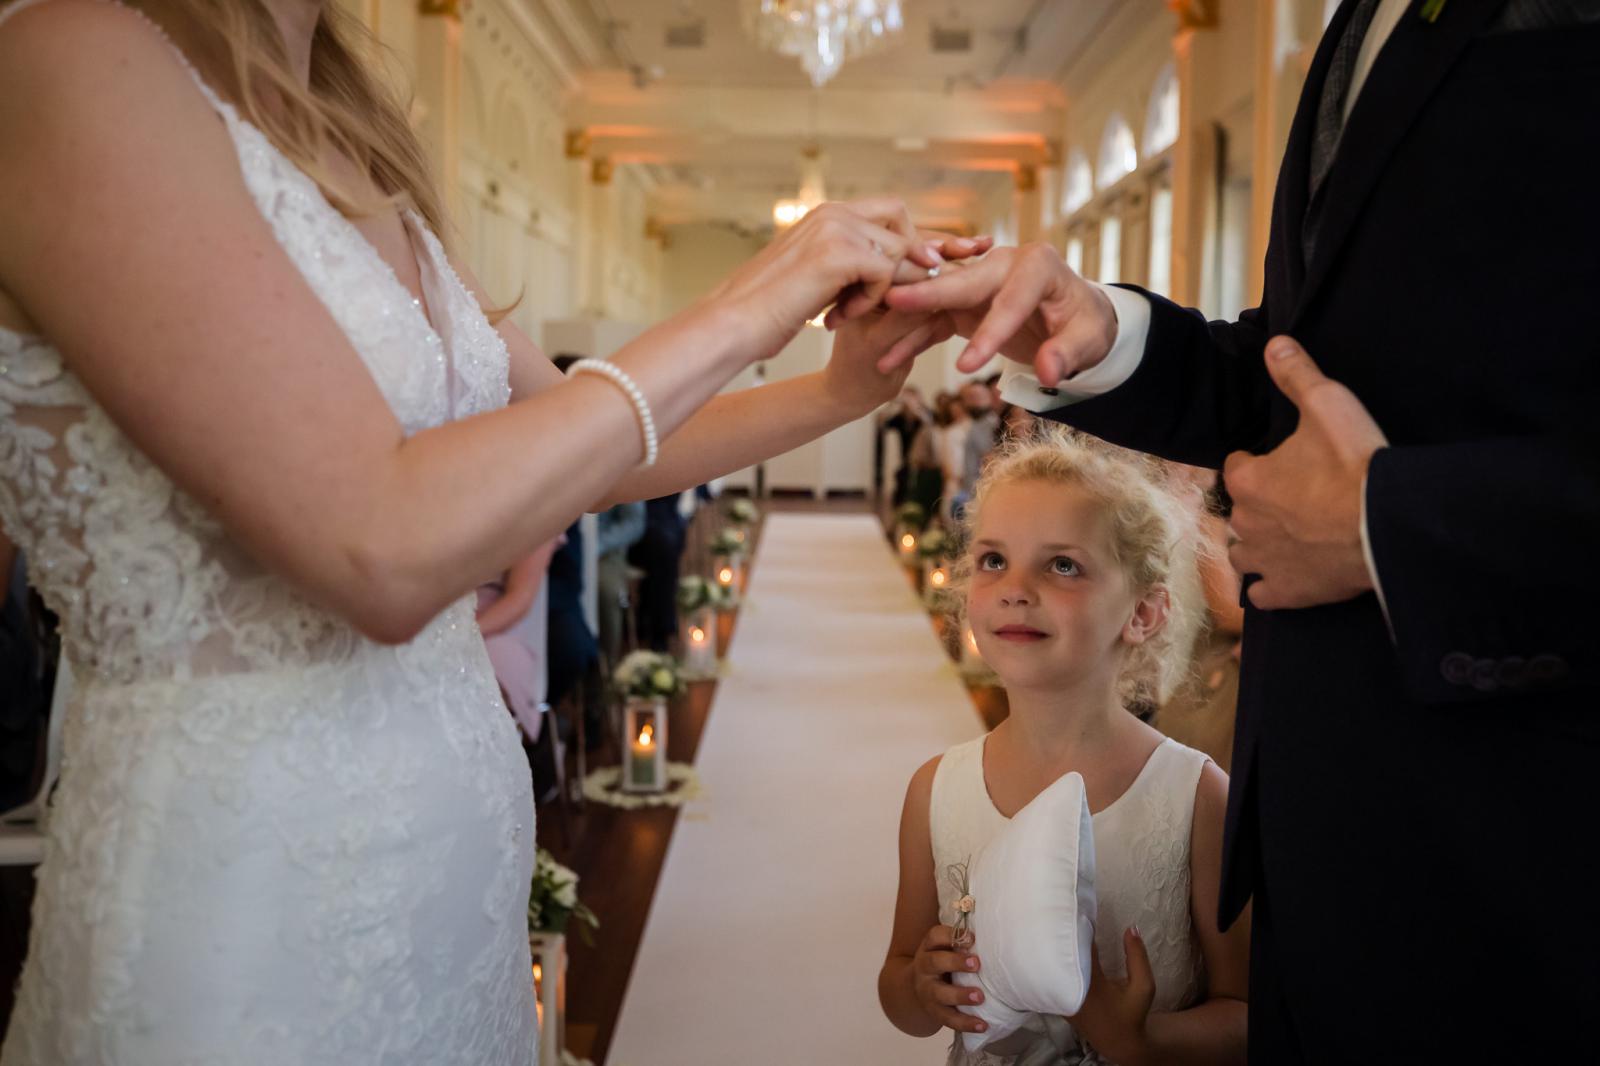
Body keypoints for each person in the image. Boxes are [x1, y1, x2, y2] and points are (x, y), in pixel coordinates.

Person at [0, 1, 964, 1059]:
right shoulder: (69, 58)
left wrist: (836, 389)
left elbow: (584, 442)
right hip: (249, 893)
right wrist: (751, 301)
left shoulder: (351, 127)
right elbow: (378, 545)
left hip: (452, 887)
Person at [882, 0, 1600, 1057]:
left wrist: (1391, 525)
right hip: (1331, 836)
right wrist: (1100, 333)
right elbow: (1294, 366)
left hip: (1533, 853)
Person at [878, 429, 1247, 1065]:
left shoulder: (1198, 795)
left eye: (1063, 565)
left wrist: (1141, 1038)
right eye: (994, 560)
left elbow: (1247, 1015)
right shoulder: (936, 789)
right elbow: (899, 984)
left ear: (1143, 613)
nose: (1016, 587)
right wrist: (920, 989)